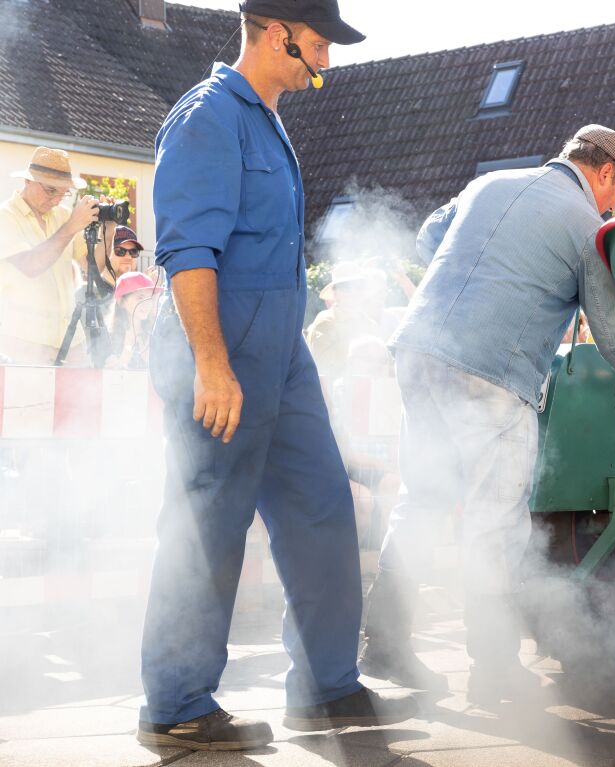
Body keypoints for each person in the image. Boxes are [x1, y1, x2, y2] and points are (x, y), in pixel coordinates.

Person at [138, 0, 414, 752]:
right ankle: (175, 702)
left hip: (281, 356)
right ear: (272, 29)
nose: (325, 60)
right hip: (220, 353)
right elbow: (188, 254)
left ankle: (326, 688)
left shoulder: (266, 117)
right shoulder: (207, 118)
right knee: (207, 524)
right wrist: (213, 365)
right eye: (318, 43)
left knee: (322, 503)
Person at [361, 124, 615, 704]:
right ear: (605, 172)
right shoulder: (588, 228)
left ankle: (384, 642)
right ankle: (492, 670)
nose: (614, 206)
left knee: (425, 496)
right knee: (495, 521)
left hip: (418, 351)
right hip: (490, 371)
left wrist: (484, 279)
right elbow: (613, 332)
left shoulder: (490, 183)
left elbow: (430, 236)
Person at [0, 147, 114, 365]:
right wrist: (71, 226)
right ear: (28, 181)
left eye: (63, 193)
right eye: (51, 190)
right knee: (29, 400)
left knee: (77, 400)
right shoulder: (5, 216)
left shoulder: (62, 215)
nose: (56, 200)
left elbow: (92, 269)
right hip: (24, 342)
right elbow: (31, 266)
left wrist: (109, 231)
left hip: (71, 342)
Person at [107, 271, 163, 368]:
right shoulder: (109, 338)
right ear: (121, 301)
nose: (147, 304)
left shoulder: (154, 334)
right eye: (140, 297)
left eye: (150, 298)